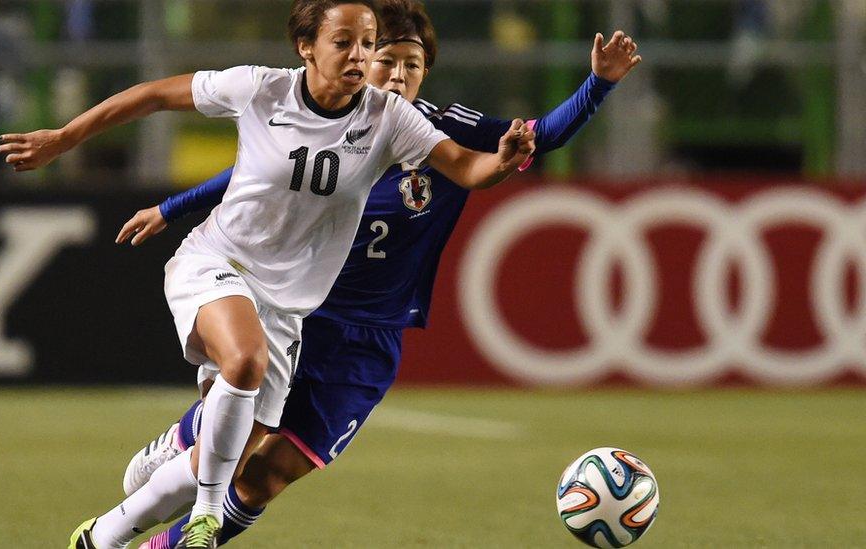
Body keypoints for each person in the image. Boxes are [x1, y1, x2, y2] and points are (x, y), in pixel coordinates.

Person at [0, 1, 535, 547]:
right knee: (243, 362)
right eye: (344, 42)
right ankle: (207, 516)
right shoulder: (259, 89)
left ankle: (100, 537)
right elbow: (154, 94)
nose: (360, 56)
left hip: (287, 307)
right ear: (307, 47)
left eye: (368, 44)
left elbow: (467, 168)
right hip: (218, 262)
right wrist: (65, 138)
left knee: (227, 453)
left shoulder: (389, 117)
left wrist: (503, 159)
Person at [110, 1, 641, 546]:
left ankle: (165, 543)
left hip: (369, 338)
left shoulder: (444, 132)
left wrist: (596, 86)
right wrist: (171, 208)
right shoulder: (331, 115)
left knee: (272, 474)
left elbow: (539, 136)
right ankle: (182, 442)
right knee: (237, 441)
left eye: (412, 64)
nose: (397, 74)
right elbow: (254, 173)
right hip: (300, 312)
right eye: (386, 59)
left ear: (426, 71)